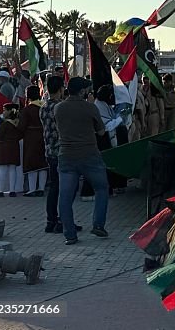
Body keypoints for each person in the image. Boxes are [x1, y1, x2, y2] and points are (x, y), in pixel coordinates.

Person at [55, 77, 110, 245]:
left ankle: (70, 234)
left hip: (66, 155)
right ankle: (98, 224)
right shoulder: (90, 107)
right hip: (89, 155)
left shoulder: (58, 108)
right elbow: (101, 132)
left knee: (65, 196)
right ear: (82, 91)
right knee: (101, 188)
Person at [40, 75, 74, 234]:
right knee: (66, 189)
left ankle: (50, 221)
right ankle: (63, 221)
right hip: (63, 151)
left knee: (54, 187)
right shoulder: (61, 106)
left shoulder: (44, 106)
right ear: (61, 89)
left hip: (49, 150)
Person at [19, 86, 48, 196]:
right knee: (42, 163)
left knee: (31, 163)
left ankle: (32, 189)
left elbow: (21, 126)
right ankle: (41, 188)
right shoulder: (44, 106)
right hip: (44, 135)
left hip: (31, 137)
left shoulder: (27, 110)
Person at [0, 104, 24, 197]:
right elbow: (21, 134)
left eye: (5, 110)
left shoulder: (5, 124)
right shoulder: (18, 123)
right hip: (14, 147)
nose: (3, 112)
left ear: (10, 111)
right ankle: (12, 190)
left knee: (2, 169)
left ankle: (1, 190)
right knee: (12, 169)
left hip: (4, 148)